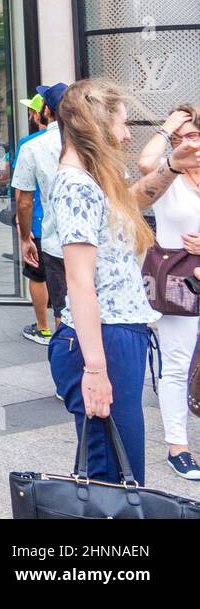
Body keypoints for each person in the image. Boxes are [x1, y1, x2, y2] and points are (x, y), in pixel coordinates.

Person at [46, 79, 200, 485]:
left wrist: (172, 165)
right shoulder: (76, 185)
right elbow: (80, 283)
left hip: (117, 336)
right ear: (97, 125)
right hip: (103, 341)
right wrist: (96, 369)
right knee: (112, 477)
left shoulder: (92, 182)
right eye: (122, 123)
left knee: (120, 469)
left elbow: (130, 204)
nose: (127, 133)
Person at [135, 103, 200, 480]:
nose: (189, 143)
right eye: (181, 138)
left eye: (194, 135)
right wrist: (167, 127)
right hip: (178, 281)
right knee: (177, 363)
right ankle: (179, 445)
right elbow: (146, 165)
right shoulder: (167, 180)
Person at [12, 84, 69, 348]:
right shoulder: (94, 141)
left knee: (60, 304)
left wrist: (24, 237)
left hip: (52, 236)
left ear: (46, 110)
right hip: (92, 238)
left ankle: (65, 367)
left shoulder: (33, 146)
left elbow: (23, 200)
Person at [10, 91, 53, 345]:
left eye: (32, 110)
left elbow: (21, 191)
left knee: (38, 275)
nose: (29, 114)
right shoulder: (74, 141)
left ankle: (43, 328)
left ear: (40, 113)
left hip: (37, 221)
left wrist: (21, 224)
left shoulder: (30, 144)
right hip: (66, 225)